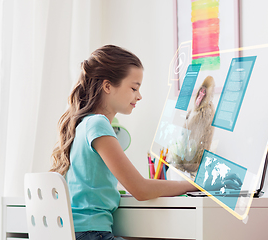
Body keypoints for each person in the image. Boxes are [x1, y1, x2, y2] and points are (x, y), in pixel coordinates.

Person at [50, 45, 197, 240]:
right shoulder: (98, 124)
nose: (139, 96)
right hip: (92, 234)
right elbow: (141, 189)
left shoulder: (82, 125)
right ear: (108, 86)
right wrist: (194, 186)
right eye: (134, 88)